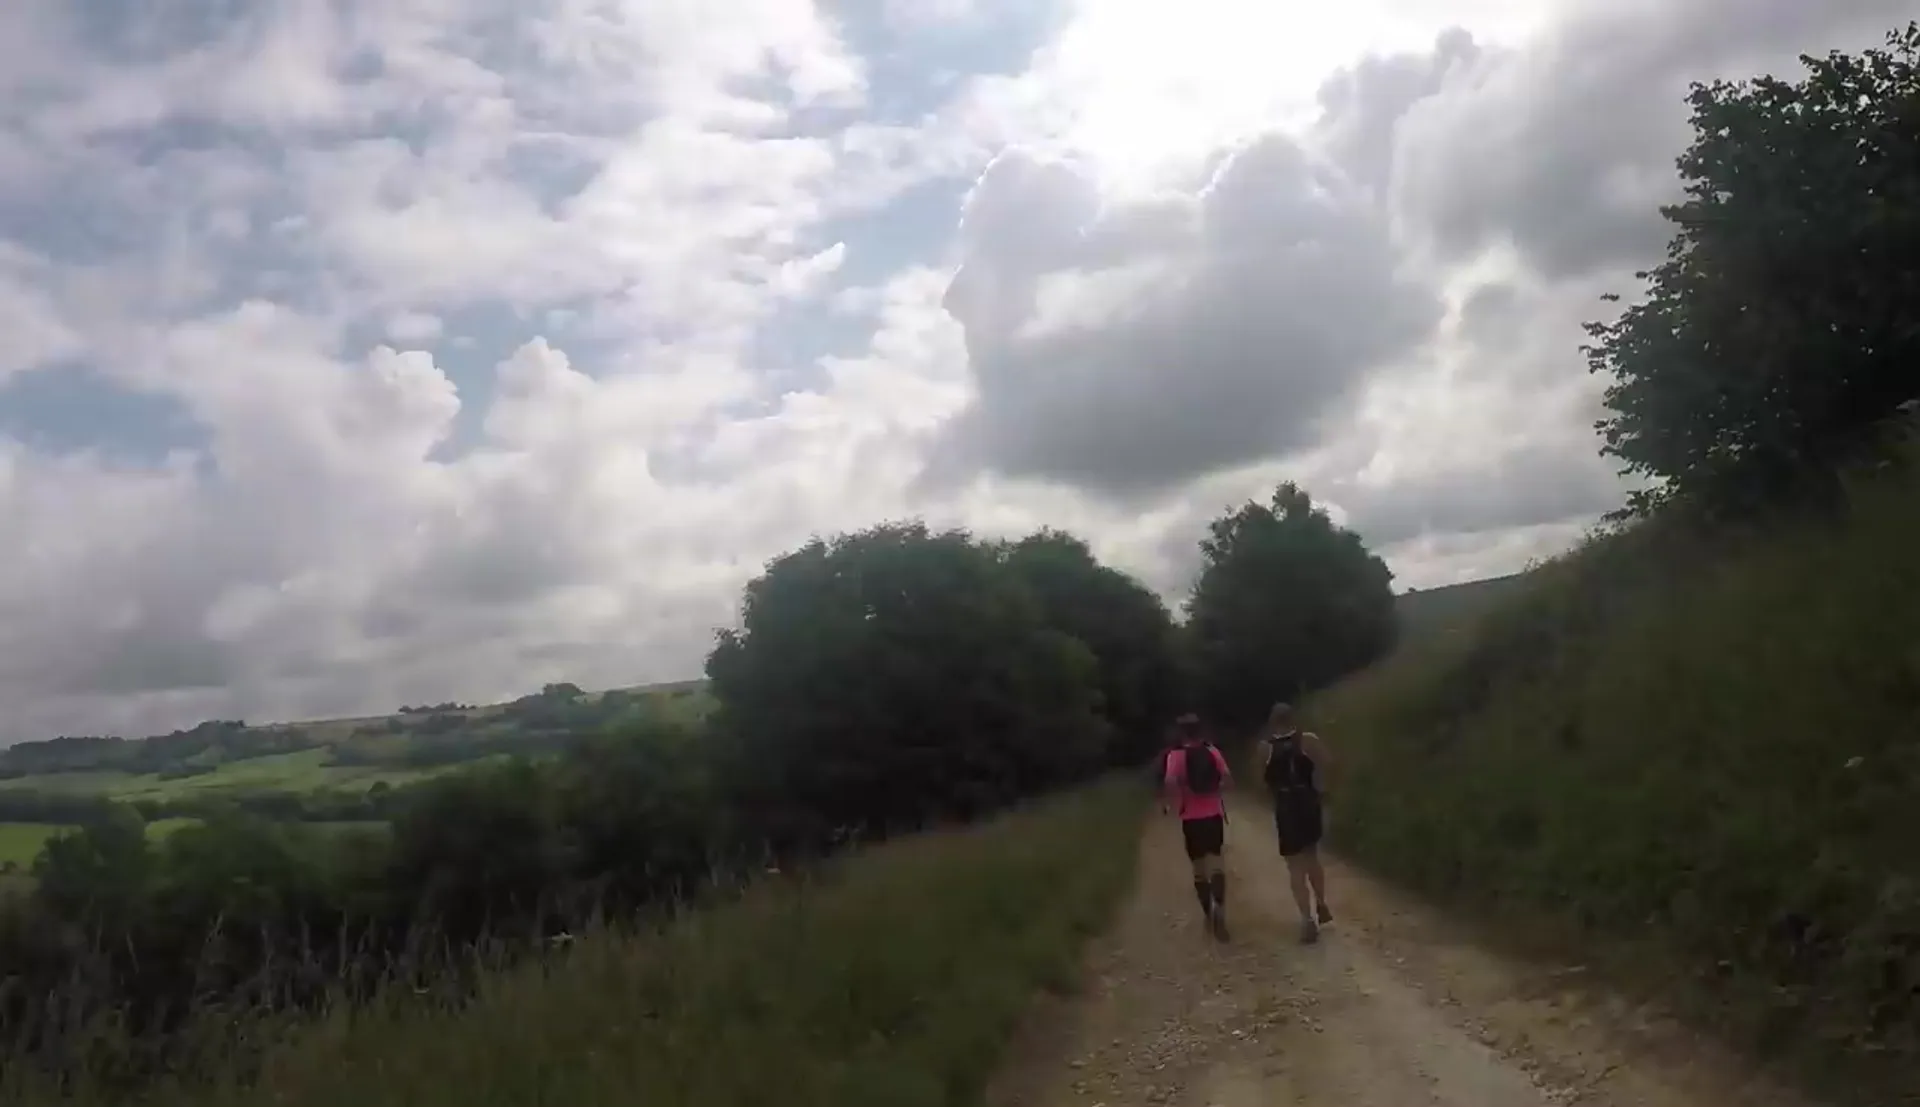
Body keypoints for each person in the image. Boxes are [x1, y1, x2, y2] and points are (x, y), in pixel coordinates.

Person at [1261, 702, 1333, 944]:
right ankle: (1322, 904)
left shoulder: (1265, 749)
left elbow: (1260, 780)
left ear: (1272, 723)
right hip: (1308, 804)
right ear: (1293, 719)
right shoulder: (1308, 740)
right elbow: (1327, 763)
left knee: (1294, 867)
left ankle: (1306, 919)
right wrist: (1320, 788)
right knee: (1312, 857)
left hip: (1285, 808)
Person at [1162, 713, 1233, 941]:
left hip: (1190, 818)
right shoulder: (1212, 751)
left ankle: (1208, 913)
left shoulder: (1176, 755)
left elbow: (1170, 783)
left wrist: (1172, 803)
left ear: (1181, 733)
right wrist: (1215, 791)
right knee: (1217, 864)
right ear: (1200, 730)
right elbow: (1229, 781)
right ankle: (1220, 909)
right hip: (1213, 815)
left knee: (1199, 869)